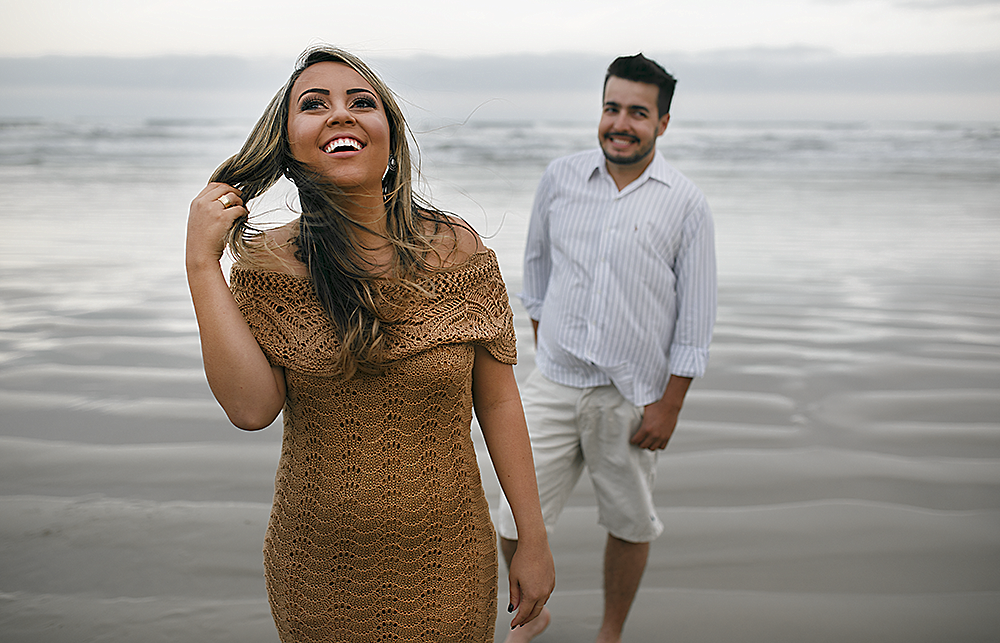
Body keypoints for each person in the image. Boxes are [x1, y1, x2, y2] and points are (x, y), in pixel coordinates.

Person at [185, 46, 554, 643]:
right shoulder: (267, 265)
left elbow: (499, 402)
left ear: (390, 138)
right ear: (288, 145)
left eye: (362, 102)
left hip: (450, 562)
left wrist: (532, 538)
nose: (341, 114)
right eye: (314, 104)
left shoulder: (457, 250)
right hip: (317, 571)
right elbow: (251, 410)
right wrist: (202, 265)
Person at [498, 53, 717, 642]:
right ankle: (533, 612)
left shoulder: (686, 203)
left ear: (662, 123)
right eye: (611, 108)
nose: (620, 123)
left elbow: (696, 316)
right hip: (553, 382)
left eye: (638, 113)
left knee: (630, 523)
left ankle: (610, 633)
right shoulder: (560, 178)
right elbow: (536, 272)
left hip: (632, 396)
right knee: (512, 516)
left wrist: (670, 405)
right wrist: (547, 344)